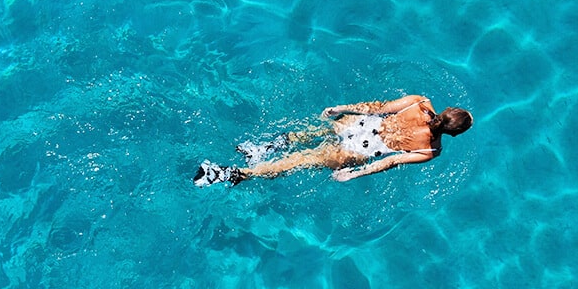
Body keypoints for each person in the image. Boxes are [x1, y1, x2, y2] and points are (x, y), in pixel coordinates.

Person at [193, 95, 473, 186]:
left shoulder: (420, 102)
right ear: (454, 134)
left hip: (361, 124)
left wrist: (342, 109)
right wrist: (353, 174)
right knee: (302, 160)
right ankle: (237, 174)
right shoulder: (430, 150)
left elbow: (376, 106)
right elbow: (390, 161)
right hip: (361, 150)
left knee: (309, 133)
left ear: (448, 110)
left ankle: (262, 148)